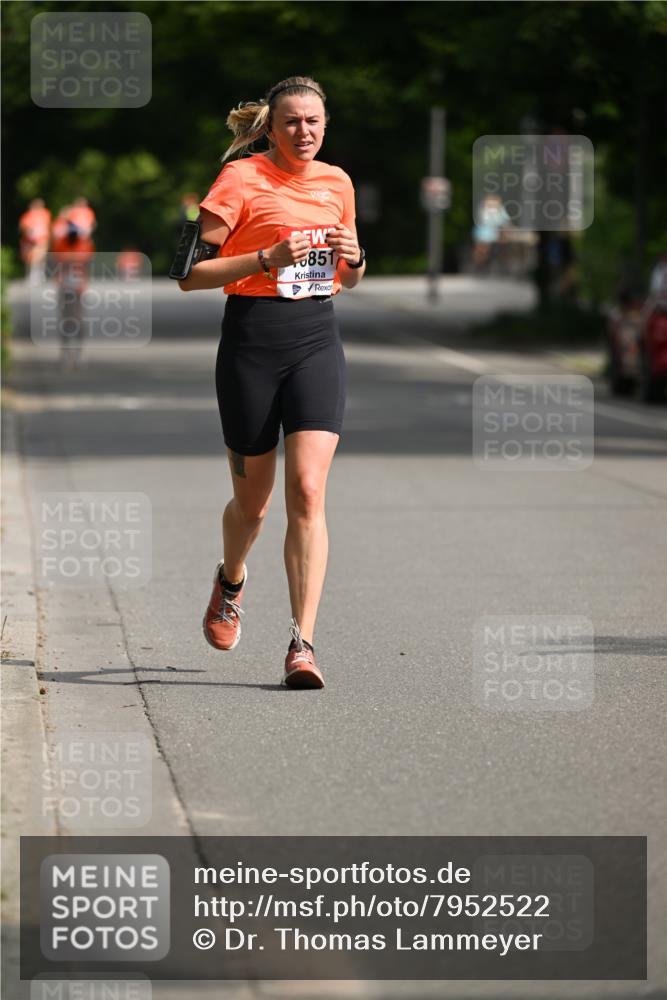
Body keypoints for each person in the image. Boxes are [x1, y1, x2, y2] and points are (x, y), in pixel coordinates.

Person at [179, 75, 366, 689]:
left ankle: (302, 644)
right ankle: (231, 578)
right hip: (251, 342)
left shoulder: (338, 182)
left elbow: (350, 275)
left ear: (325, 125)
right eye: (291, 122)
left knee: (308, 491)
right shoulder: (239, 180)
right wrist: (266, 258)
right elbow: (188, 274)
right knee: (253, 504)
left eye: (313, 122)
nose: (303, 132)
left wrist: (356, 257)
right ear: (272, 126)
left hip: (316, 338)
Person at [19, 198, 51, 285]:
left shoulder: (45, 214)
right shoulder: (28, 215)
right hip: (31, 240)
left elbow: (46, 227)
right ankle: (33, 276)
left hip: (42, 239)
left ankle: (40, 275)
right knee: (31, 258)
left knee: (40, 258)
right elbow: (24, 227)